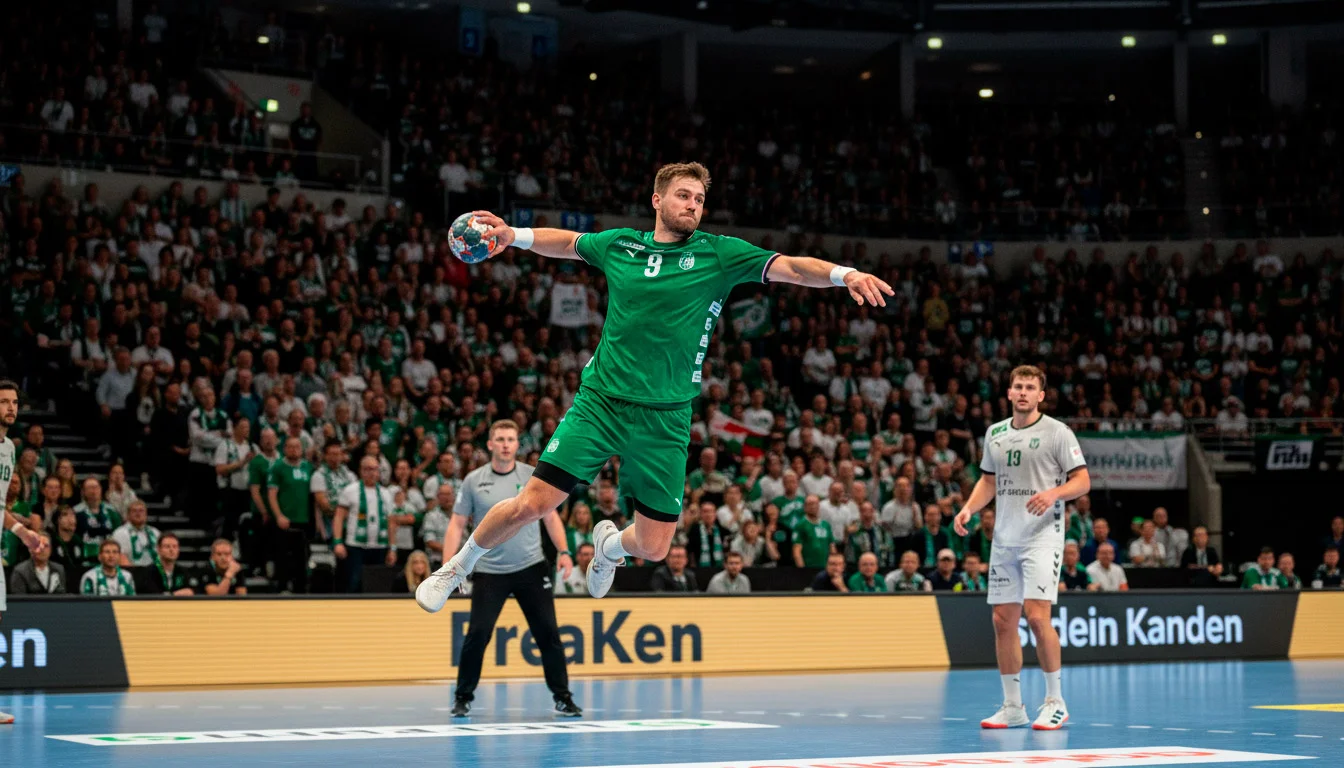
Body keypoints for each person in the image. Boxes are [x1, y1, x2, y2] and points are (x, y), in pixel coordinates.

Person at [415, 162, 892, 608]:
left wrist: (843, 274)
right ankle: (457, 569)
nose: (692, 205)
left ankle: (607, 547)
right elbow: (567, 243)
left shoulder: (718, 254)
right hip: (601, 403)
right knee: (531, 504)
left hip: (666, 415)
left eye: (699, 199)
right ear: (657, 200)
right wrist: (513, 235)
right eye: (683, 195)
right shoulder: (621, 245)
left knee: (654, 546)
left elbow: (790, 266)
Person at [953, 365, 1091, 730]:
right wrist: (968, 508)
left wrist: (1053, 494)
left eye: (1031, 387)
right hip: (1005, 538)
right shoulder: (994, 433)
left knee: (1036, 615)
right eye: (1019, 386)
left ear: (1041, 395)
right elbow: (988, 481)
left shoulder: (1057, 432)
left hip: (1043, 537)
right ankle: (1013, 707)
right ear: (1010, 393)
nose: (1024, 392)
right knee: (1002, 621)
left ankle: (1055, 701)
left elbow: (1083, 480)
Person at [436, 420, 579, 718]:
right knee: (477, 634)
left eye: (510, 439)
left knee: (548, 634)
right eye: (499, 438)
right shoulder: (474, 480)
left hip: (531, 567)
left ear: (517, 445)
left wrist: (564, 552)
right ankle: (462, 697)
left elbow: (551, 518)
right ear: (489, 444)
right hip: (489, 569)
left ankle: (563, 698)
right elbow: (457, 525)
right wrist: (451, 568)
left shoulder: (533, 476)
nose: (505, 444)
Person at [0, 381, 49, 725]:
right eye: (3, 402)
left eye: (14, 402)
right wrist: (21, 530)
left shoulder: (9, 449)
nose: (11, 408)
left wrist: (23, 531)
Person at [332, 456, 399, 593]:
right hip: (355, 546)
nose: (371, 473)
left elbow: (391, 523)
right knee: (353, 583)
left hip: (380, 546)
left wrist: (392, 548)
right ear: (361, 471)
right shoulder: (350, 490)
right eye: (367, 469)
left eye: (374, 469)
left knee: (377, 585)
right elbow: (338, 518)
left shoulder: (386, 493)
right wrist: (338, 542)